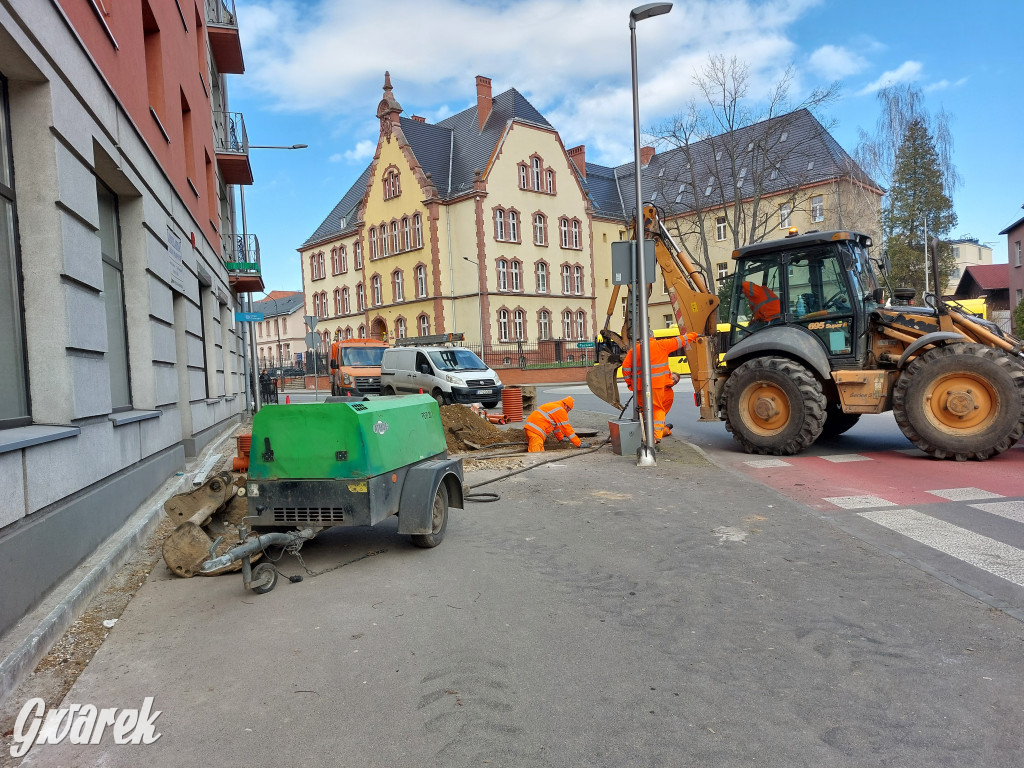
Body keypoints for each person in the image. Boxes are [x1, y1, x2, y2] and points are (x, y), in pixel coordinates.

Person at [622, 332, 697, 442]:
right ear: (653, 337)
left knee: (642, 410)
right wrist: (694, 335)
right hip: (657, 385)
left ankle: (643, 434)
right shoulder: (662, 344)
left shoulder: (634, 350)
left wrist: (630, 383)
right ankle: (655, 437)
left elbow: (626, 368)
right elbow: (680, 340)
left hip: (640, 387)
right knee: (657, 409)